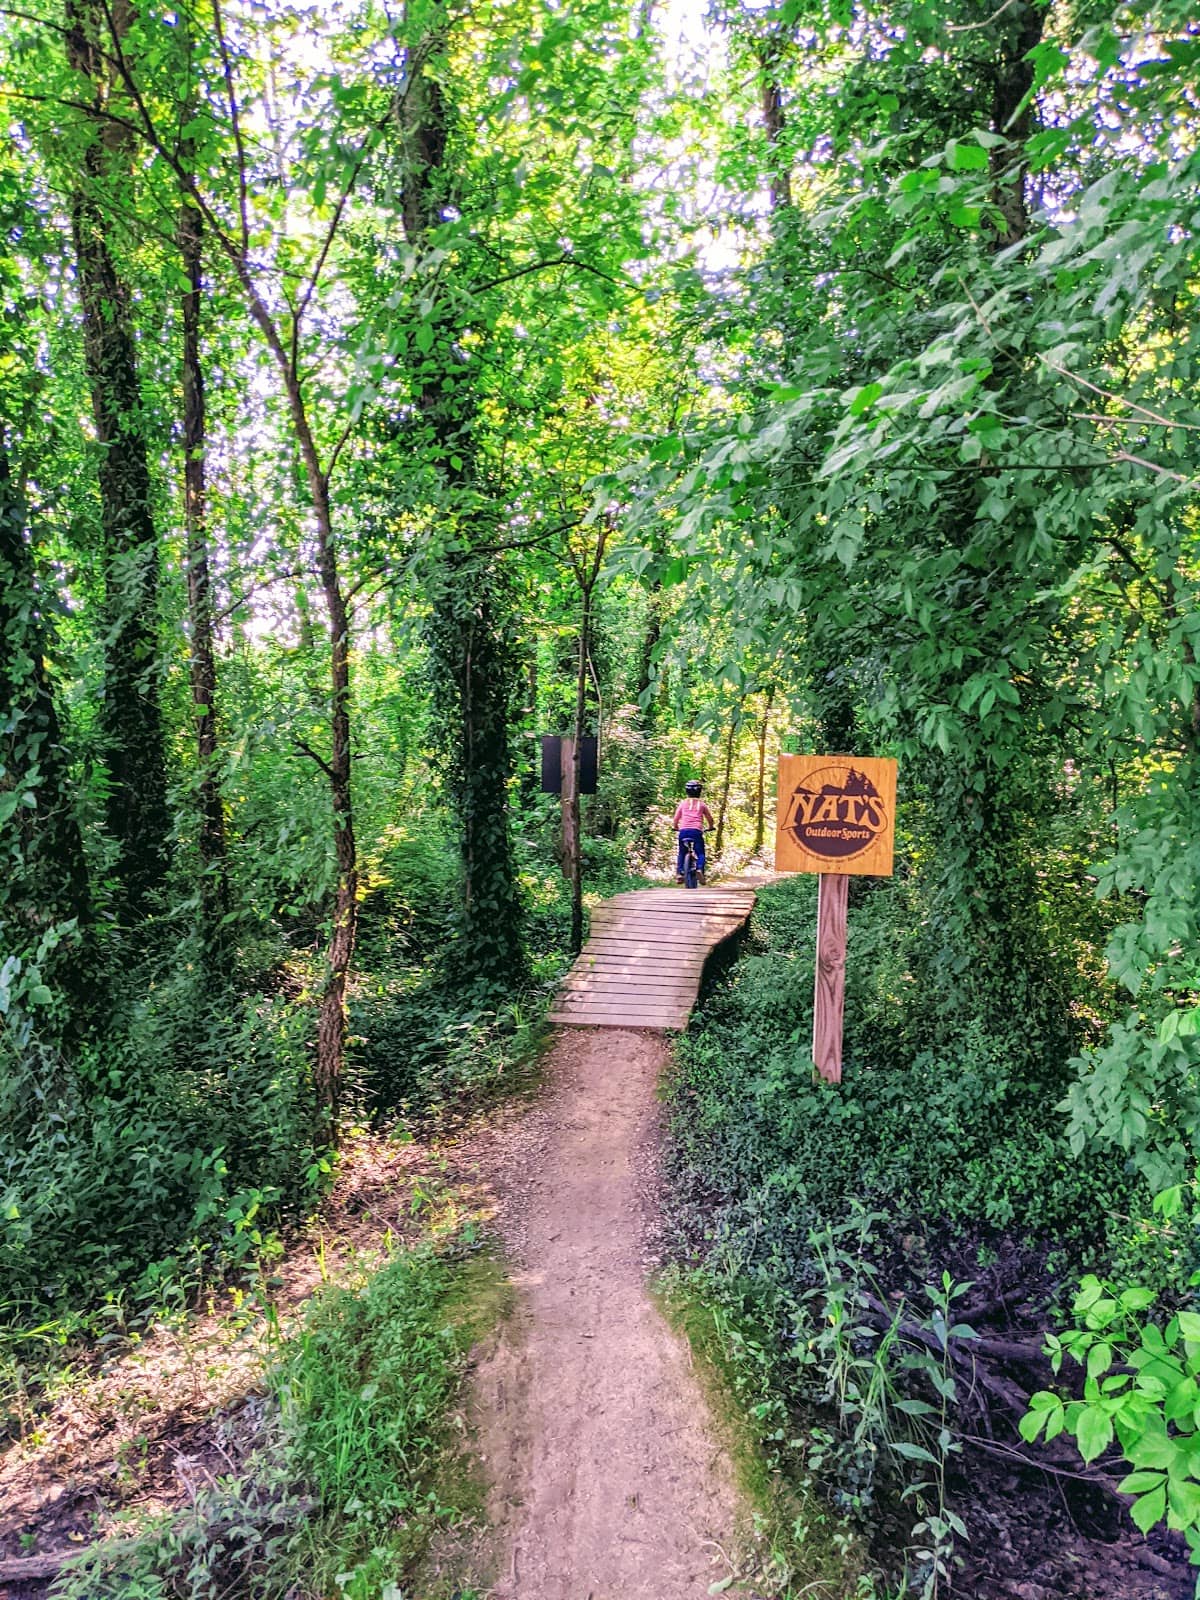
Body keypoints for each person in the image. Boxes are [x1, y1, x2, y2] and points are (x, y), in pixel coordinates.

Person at [673, 779, 715, 884]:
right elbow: (710, 818)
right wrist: (711, 827)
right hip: (696, 831)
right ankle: (700, 869)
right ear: (699, 791)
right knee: (700, 852)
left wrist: (675, 827)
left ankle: (679, 873)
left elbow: (676, 818)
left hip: (683, 831)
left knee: (682, 852)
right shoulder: (702, 804)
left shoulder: (683, 803)